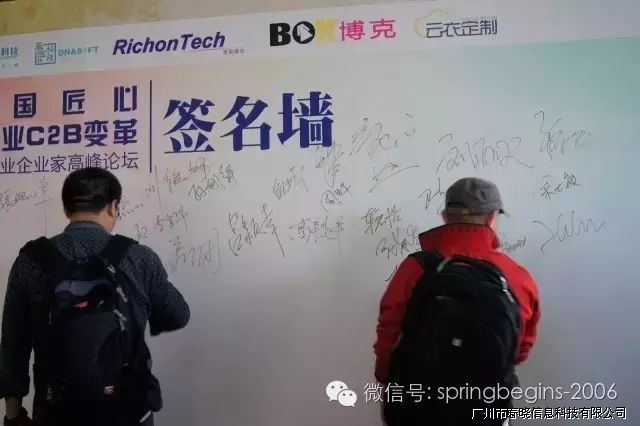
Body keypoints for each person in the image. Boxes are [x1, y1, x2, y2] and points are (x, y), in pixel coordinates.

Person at [0, 167, 190, 426]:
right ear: (113, 207)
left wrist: (13, 415)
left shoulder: (30, 261)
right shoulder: (139, 257)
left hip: (55, 413)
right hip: (129, 412)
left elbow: (13, 343)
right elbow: (178, 315)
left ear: (66, 209)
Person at [374, 177, 541, 424]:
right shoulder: (517, 277)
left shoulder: (415, 267)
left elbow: (389, 332)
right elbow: (519, 350)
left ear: (445, 217)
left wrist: (387, 379)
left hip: (418, 409)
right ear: (491, 218)